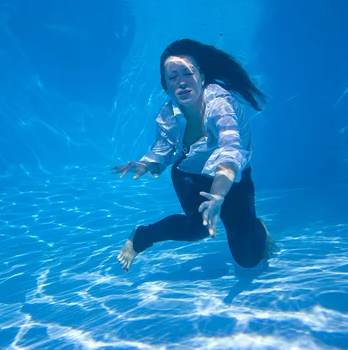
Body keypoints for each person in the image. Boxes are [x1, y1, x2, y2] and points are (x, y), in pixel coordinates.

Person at [112, 38, 276, 272]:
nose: (181, 83)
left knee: (248, 259)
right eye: (173, 77)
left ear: (201, 76)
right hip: (190, 174)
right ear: (166, 86)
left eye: (187, 73)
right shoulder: (169, 113)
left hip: (232, 177)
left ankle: (255, 226)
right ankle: (141, 236)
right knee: (195, 228)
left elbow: (230, 152)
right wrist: (146, 164)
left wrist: (218, 196)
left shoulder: (221, 105)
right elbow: (164, 147)